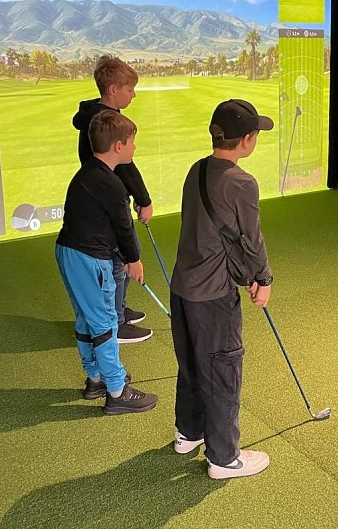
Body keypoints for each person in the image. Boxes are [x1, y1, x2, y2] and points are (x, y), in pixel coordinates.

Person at [170, 99, 274, 479]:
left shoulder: (196, 169)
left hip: (182, 289)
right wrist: (262, 279)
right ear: (247, 139)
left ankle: (189, 432)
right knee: (222, 368)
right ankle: (224, 457)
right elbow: (251, 239)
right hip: (213, 295)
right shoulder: (242, 182)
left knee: (192, 363)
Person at [56, 109, 158, 414]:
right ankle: (116, 391)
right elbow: (122, 226)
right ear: (118, 146)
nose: (134, 148)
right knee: (104, 323)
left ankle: (96, 378)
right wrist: (134, 260)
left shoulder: (91, 172)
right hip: (87, 258)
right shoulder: (110, 183)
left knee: (89, 319)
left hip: (72, 253)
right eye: (132, 142)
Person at [72, 55, 153, 343]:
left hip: (105, 196)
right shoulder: (109, 122)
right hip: (108, 199)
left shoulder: (98, 116)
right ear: (112, 90)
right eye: (129, 89)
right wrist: (144, 199)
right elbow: (126, 167)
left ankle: (118, 309)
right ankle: (116, 322)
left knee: (118, 260)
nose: (133, 94)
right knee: (120, 261)